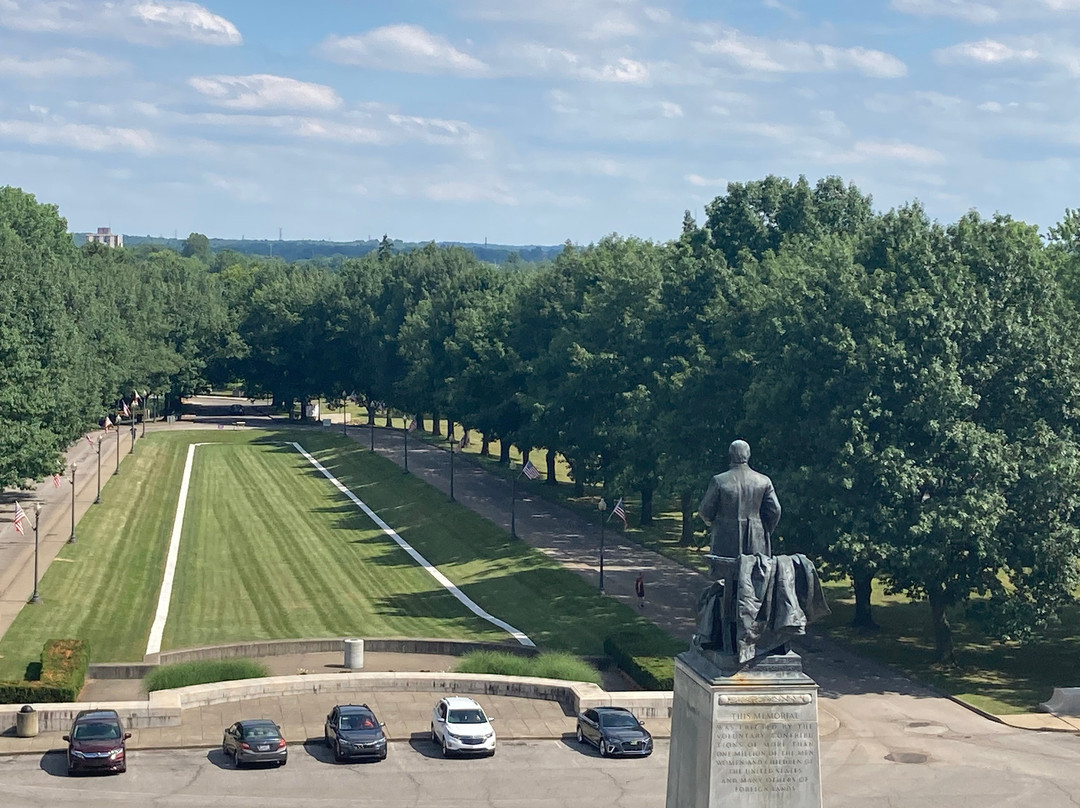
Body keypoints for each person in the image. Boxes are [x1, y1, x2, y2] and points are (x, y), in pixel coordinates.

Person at [698, 439, 781, 560]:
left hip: (724, 542)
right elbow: (776, 510)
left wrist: (715, 524)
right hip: (756, 543)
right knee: (754, 577)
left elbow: (704, 511)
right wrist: (763, 530)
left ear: (730, 456)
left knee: (725, 576)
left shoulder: (719, 481)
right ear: (748, 456)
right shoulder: (764, 481)